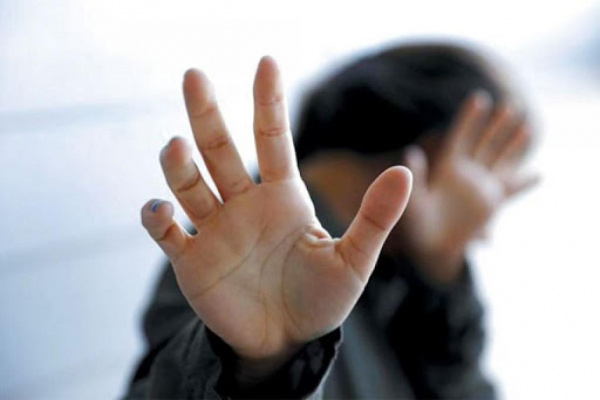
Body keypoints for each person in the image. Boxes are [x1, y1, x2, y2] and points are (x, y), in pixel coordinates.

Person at [125, 42, 537, 399]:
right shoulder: (248, 254)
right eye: (494, 190)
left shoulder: (406, 286)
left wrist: (441, 274)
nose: (484, 229)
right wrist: (259, 368)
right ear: (434, 153)